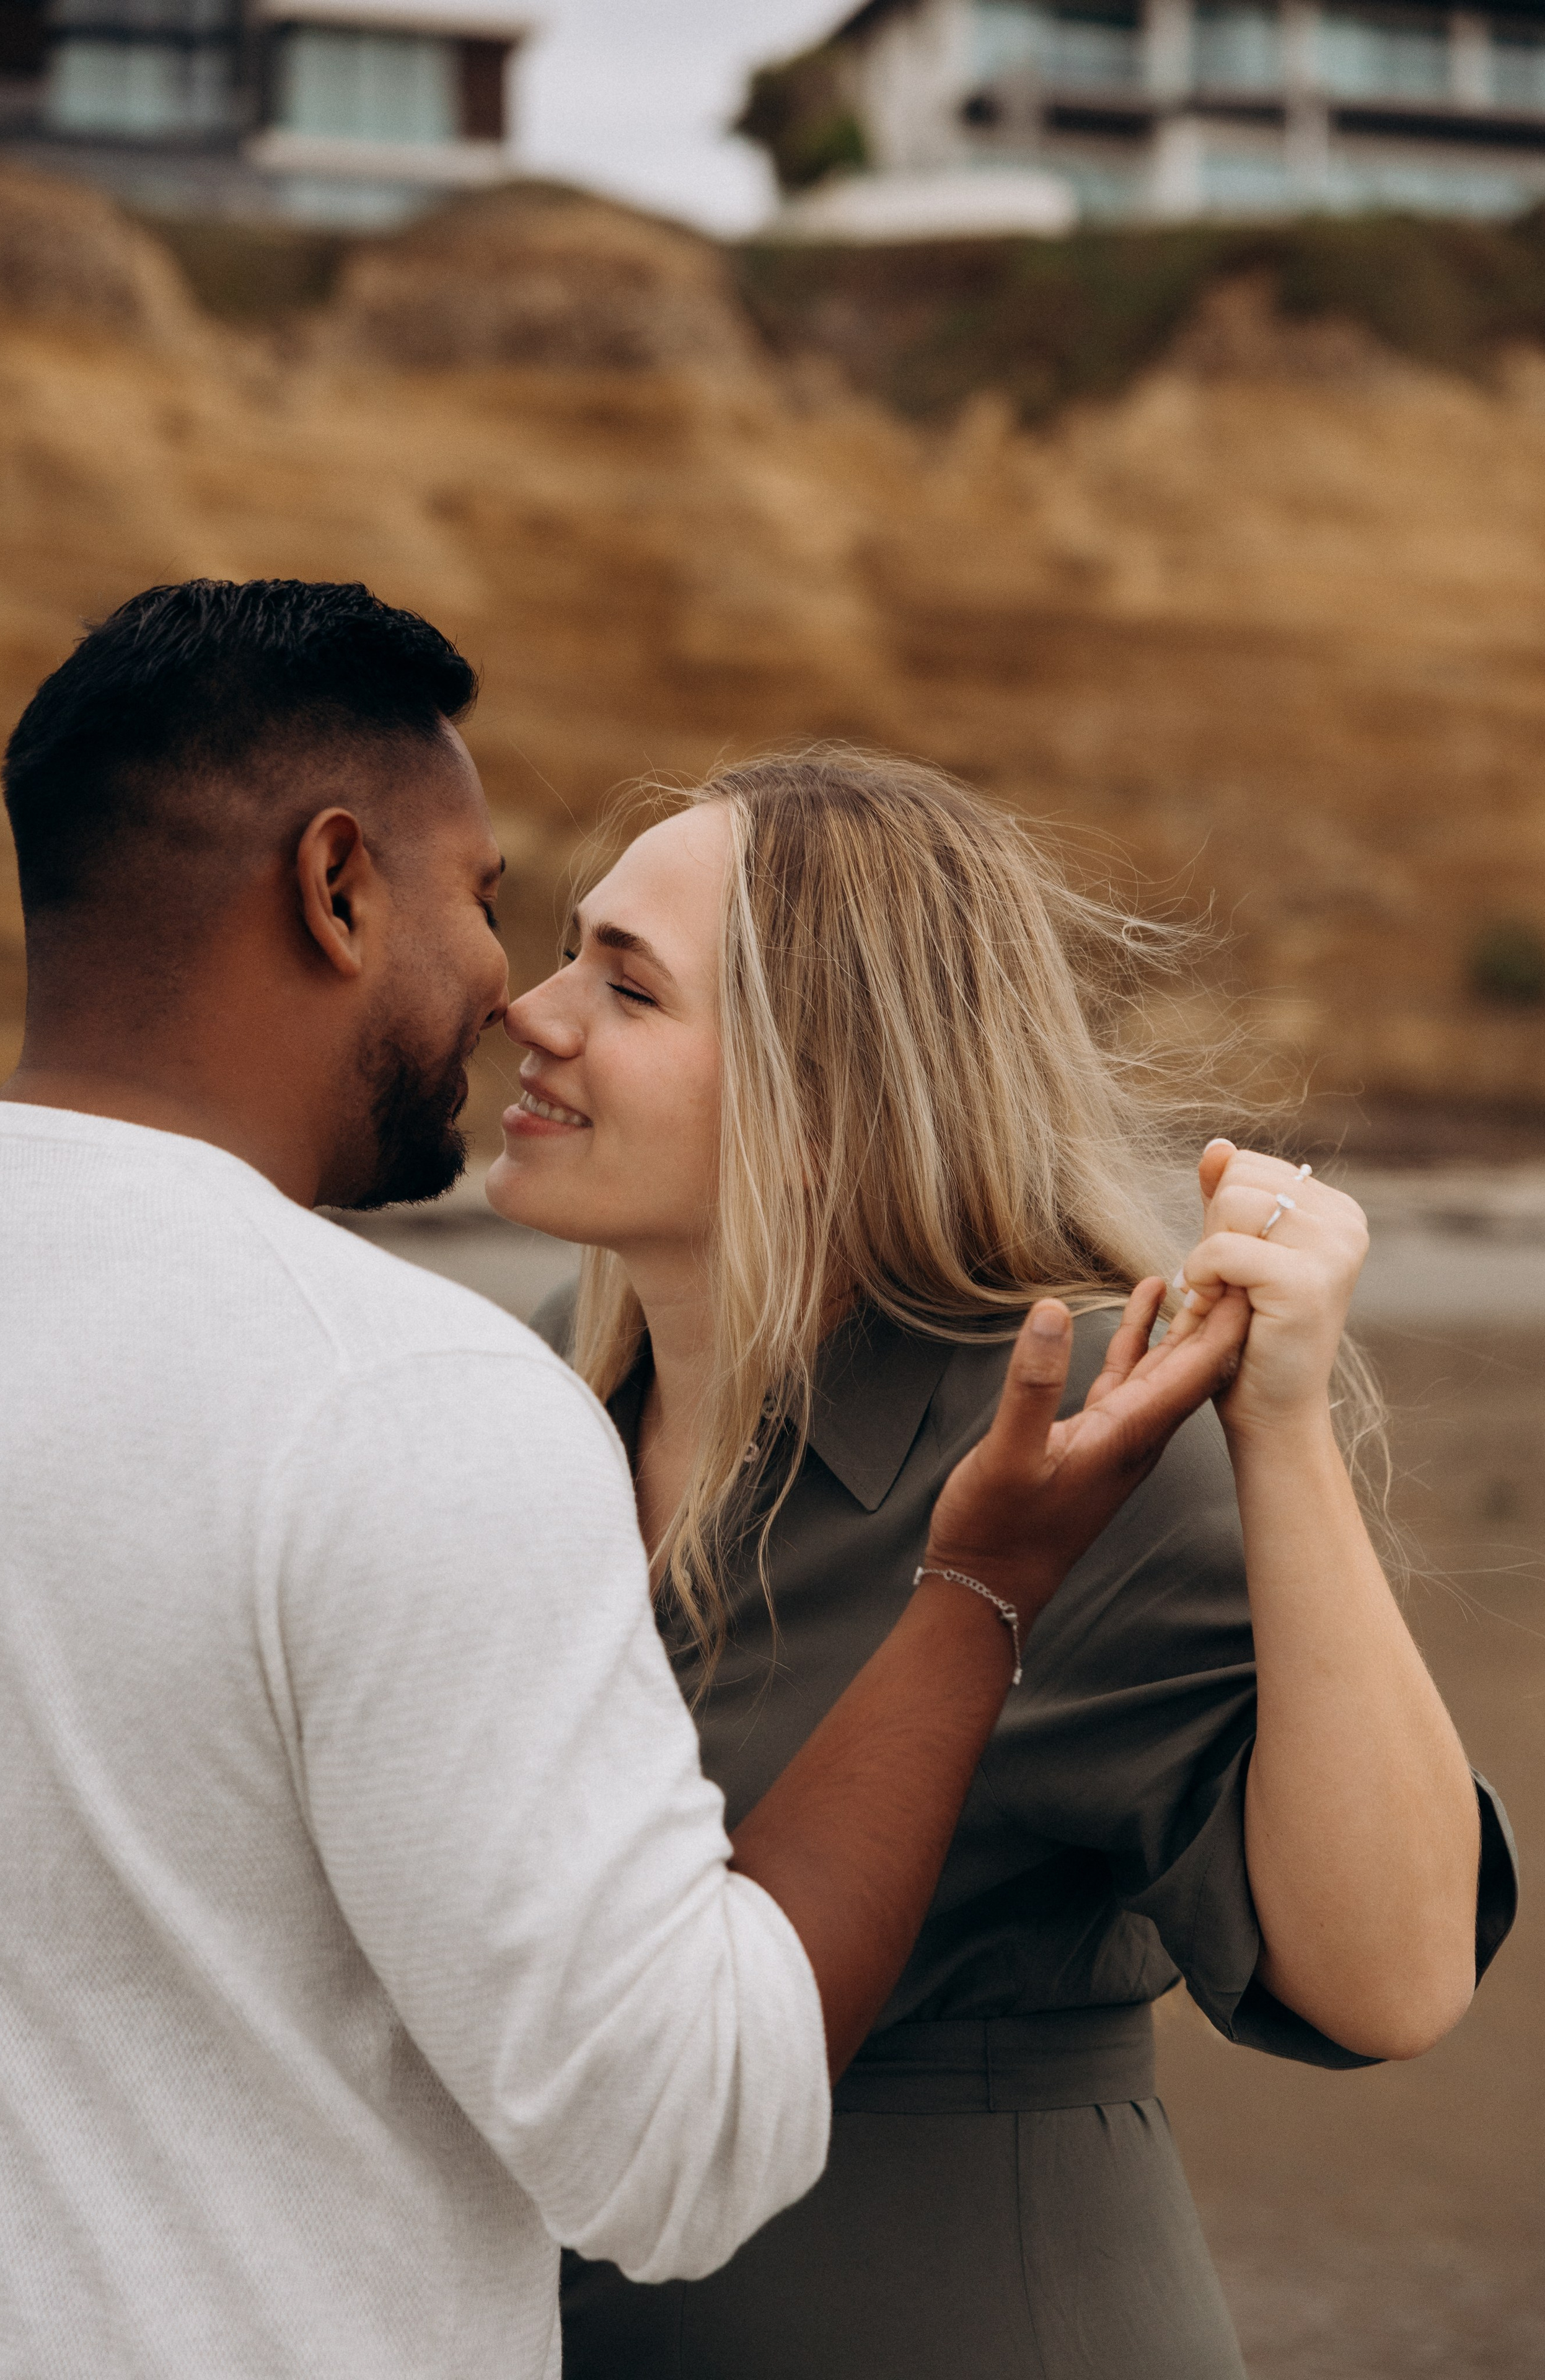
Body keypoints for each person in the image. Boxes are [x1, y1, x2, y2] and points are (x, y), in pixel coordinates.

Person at [0, 584, 1252, 2380]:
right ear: (336, 888)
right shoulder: (403, 1398)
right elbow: (679, 2139)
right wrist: (976, 1594)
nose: (511, 1000)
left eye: (612, 972)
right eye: (487, 908)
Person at [485, 749, 1520, 2380]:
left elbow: (1392, 1980)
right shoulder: (554, 1393)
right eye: (568, 952)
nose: (532, 1013)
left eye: (625, 987)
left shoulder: (1085, 1434)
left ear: (825, 1096)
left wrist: (1288, 1429)